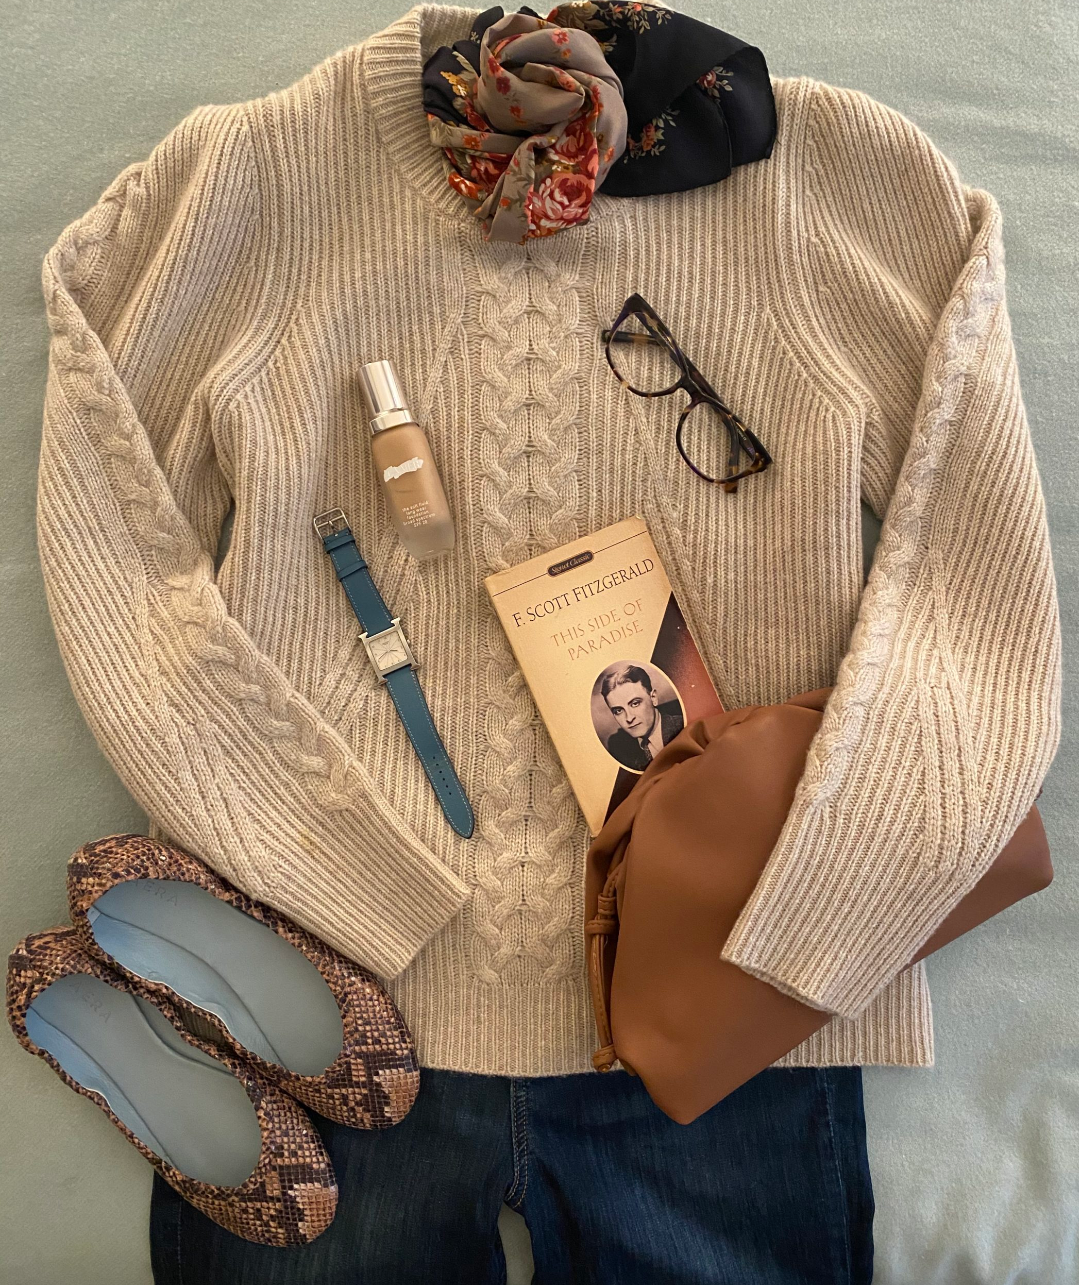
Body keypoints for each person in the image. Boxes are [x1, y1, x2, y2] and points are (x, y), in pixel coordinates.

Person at [599, 663, 684, 771]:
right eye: (618, 710)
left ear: (653, 698)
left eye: (635, 703)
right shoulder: (618, 746)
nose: (629, 718)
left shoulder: (682, 726)